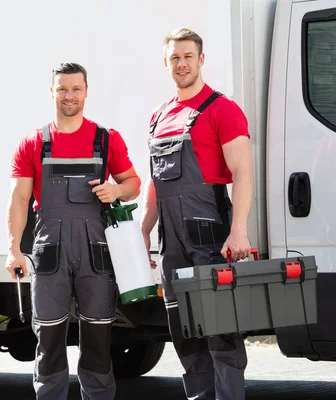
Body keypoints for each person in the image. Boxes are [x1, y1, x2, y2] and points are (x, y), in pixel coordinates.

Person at [5, 62, 141, 400]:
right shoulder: (33, 142)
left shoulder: (105, 139)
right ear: (52, 91)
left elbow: (134, 183)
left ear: (86, 92)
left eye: (76, 89)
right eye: (63, 89)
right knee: (49, 338)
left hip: (95, 254)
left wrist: (116, 191)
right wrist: (13, 248)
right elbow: (19, 199)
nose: (69, 96)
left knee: (97, 338)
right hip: (49, 254)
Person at [140, 27, 253, 399]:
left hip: (210, 235)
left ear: (201, 60)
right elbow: (157, 180)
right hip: (171, 241)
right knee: (184, 332)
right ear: (166, 63)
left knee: (220, 330)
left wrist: (239, 232)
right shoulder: (158, 115)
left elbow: (243, 171)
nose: (182, 63)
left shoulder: (223, 109)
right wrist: (145, 228)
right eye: (175, 57)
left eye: (188, 56)